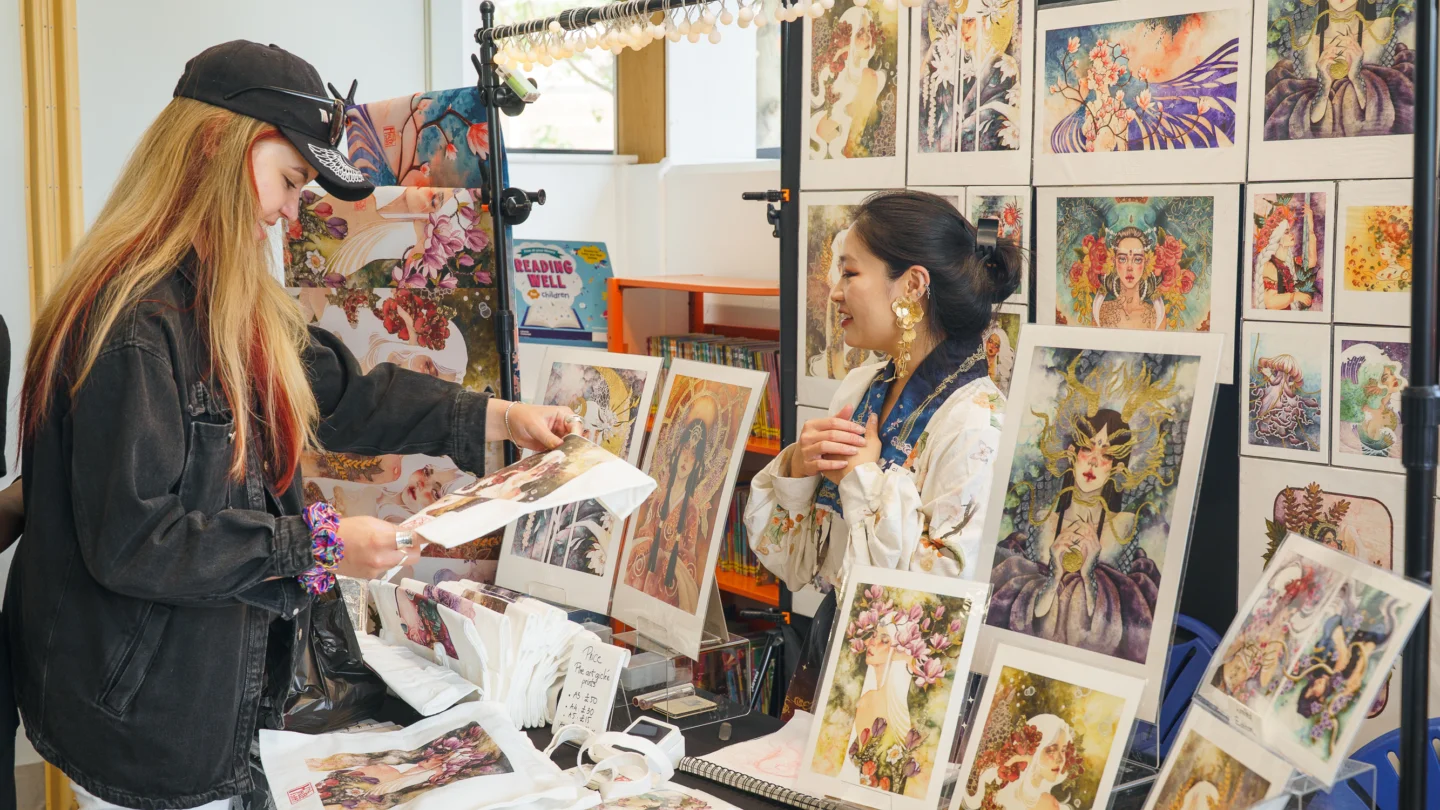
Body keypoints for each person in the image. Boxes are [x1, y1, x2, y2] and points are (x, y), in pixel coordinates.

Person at [8, 41, 579, 810]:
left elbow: (344, 396)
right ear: (219, 149)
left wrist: (499, 417)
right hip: (146, 719)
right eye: (288, 180)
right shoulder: (137, 321)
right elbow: (138, 540)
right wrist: (322, 543)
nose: (289, 210)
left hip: (213, 698)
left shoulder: (229, 297)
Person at [745, 190, 1023, 714]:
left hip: (914, 695)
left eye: (850, 274)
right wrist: (798, 467)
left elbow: (937, 600)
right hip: (831, 651)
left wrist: (865, 477)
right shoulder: (859, 387)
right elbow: (797, 563)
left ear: (912, 286)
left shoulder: (977, 422)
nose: (833, 293)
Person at [1093, 227, 1164, 330]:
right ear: (1114, 261)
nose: (1129, 267)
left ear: (1146, 262)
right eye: (1122, 259)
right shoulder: (1101, 311)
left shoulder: (1156, 315)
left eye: (1137, 260)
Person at [1254, 203, 1318, 311]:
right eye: (1287, 232)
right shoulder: (1270, 266)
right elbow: (1270, 302)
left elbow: (1312, 260)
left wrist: (1310, 227)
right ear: (1278, 238)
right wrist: (1295, 296)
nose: (1292, 234)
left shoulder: (1290, 264)